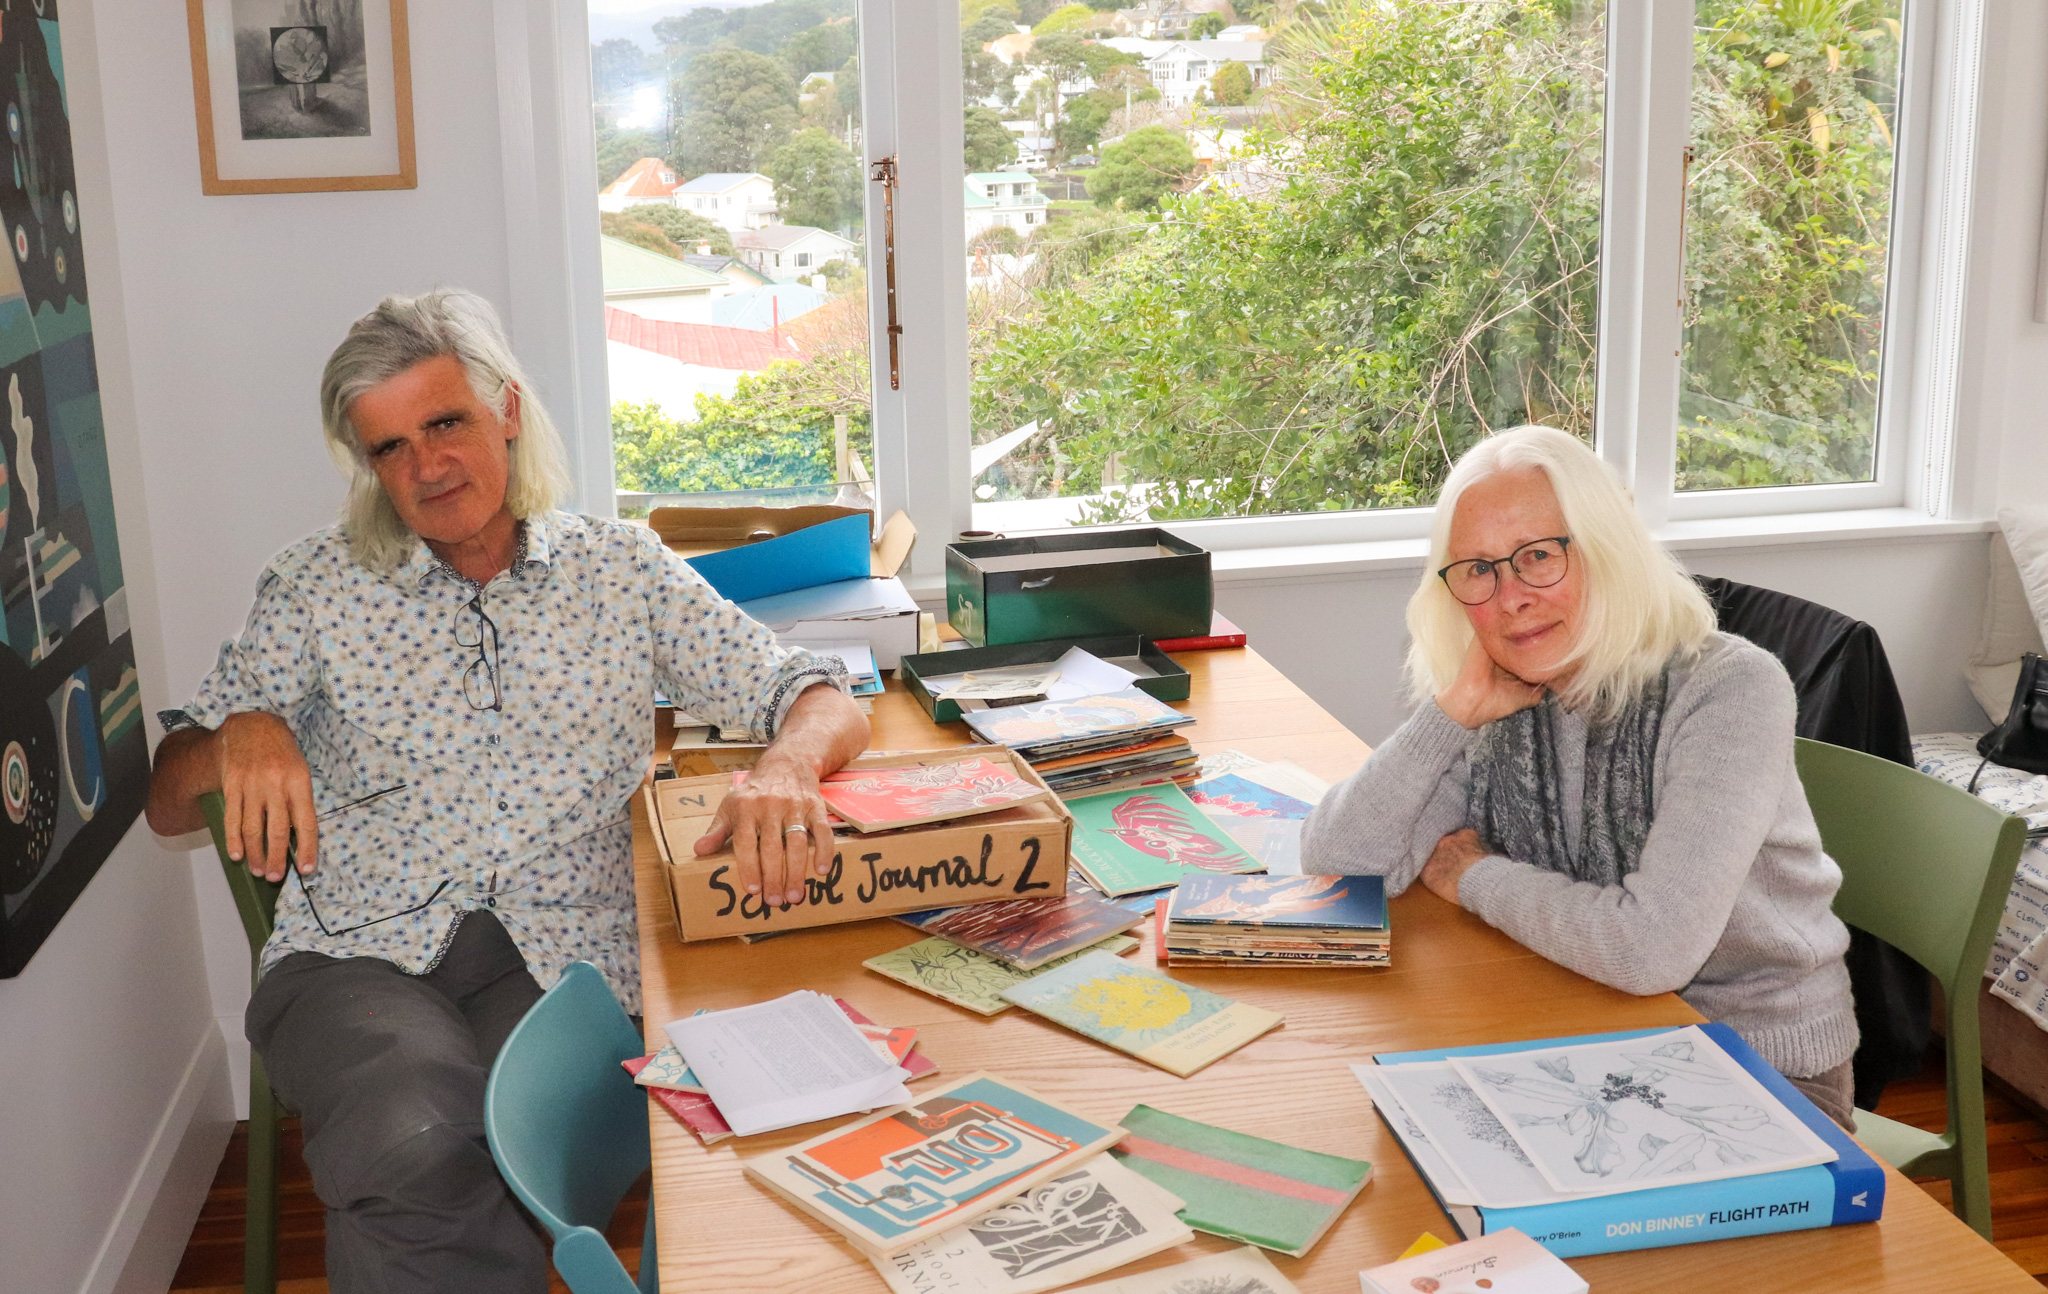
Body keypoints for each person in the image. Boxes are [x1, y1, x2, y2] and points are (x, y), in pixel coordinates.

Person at [144, 289, 870, 1292]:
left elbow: (815, 693)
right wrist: (240, 731)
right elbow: (167, 800)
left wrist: (787, 763)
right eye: (390, 447)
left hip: (562, 956)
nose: (427, 466)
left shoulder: (621, 570)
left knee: (434, 1150)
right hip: (354, 955)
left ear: (508, 411)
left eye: (444, 423)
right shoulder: (315, 586)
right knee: (414, 1125)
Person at [1301, 426, 1859, 1128]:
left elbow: (1649, 950)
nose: (1510, 598)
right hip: (1573, 1019)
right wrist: (1451, 713)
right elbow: (1339, 865)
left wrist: (1471, 876)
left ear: (1607, 548)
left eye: (1538, 556)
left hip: (1753, 1063)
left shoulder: (1731, 687)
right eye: (1477, 570)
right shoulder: (1503, 687)